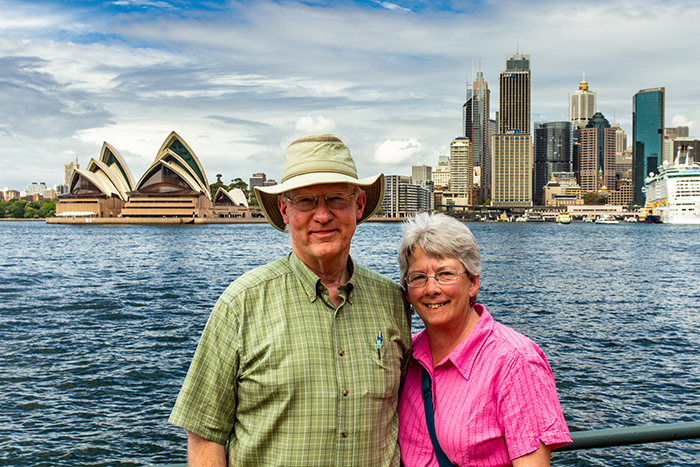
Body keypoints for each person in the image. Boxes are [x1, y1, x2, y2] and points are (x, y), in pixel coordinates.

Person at [169, 134, 412, 467]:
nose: (322, 215)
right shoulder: (241, 304)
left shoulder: (393, 300)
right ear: (285, 210)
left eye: (336, 199)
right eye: (306, 201)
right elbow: (205, 435)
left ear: (358, 205)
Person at [396, 213, 570, 467]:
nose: (431, 289)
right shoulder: (406, 355)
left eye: (445, 274)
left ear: (473, 283)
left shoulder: (515, 362)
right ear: (408, 292)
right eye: (418, 277)